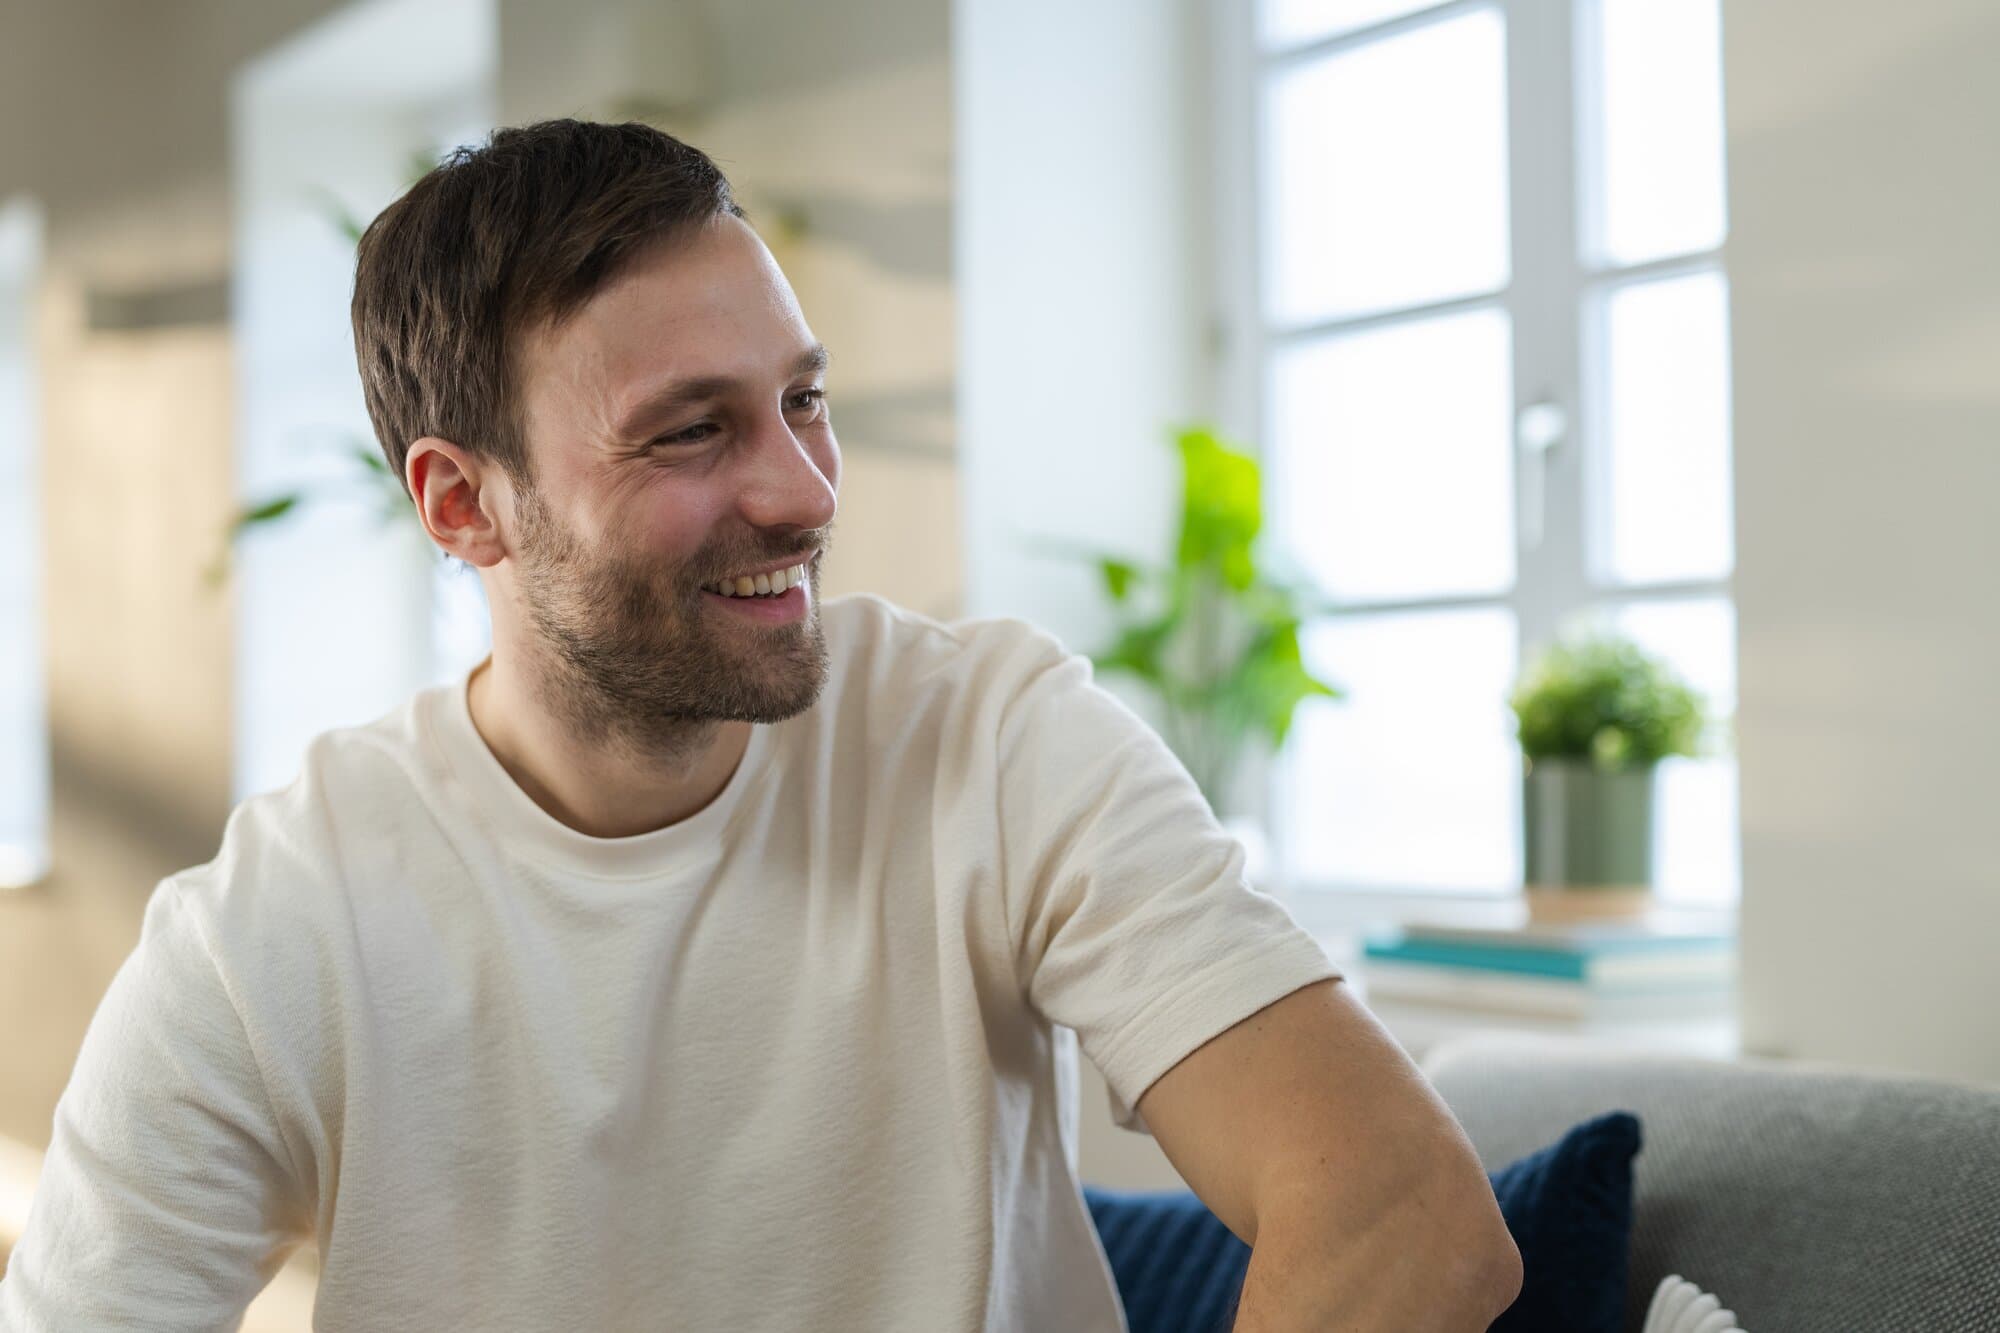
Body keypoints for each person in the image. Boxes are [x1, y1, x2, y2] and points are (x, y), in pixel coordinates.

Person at [0, 120, 1518, 1331]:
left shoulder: (989, 740)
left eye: (804, 400)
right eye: (692, 429)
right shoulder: (274, 931)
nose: (802, 489)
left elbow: (1399, 1214)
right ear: (465, 505)